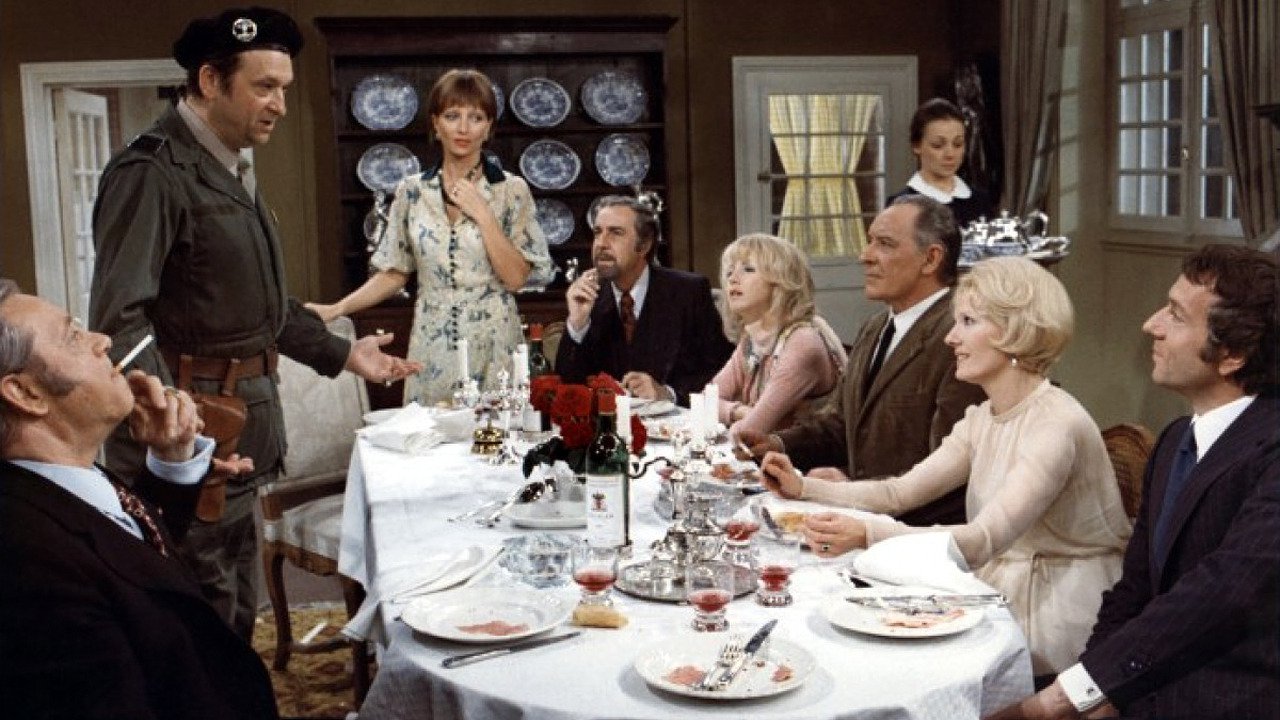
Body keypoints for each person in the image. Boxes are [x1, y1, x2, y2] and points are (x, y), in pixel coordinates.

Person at [88, 7, 420, 640]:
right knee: (201, 618)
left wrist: (345, 354)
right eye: (264, 87)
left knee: (235, 614)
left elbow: (261, 306)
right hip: (193, 444)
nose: (280, 106)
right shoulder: (152, 172)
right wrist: (177, 430)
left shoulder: (227, 168)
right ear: (210, 81)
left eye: (284, 89)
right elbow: (118, 320)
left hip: (237, 435)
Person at [762, 256, 1132, 676]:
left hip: (1059, 617)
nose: (951, 337)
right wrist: (803, 488)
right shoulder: (983, 416)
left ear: (1015, 331)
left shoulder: (1055, 425)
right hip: (995, 592)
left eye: (968, 322)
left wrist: (868, 534)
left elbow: (983, 539)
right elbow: (898, 492)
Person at [986, 245, 1280, 719]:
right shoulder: (1175, 439)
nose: (1150, 325)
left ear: (1233, 355)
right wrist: (1088, 690)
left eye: (1176, 316)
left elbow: (1223, 592)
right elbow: (1134, 588)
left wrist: (1064, 698)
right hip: (1148, 688)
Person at [0, 280, 278, 719]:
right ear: (25, 394)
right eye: (73, 336)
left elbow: (128, 559)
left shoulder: (60, 479)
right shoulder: (27, 567)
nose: (103, 340)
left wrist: (172, 459)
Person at [308, 68, 554, 405]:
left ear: (489, 128)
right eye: (452, 116)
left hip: (495, 342)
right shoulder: (411, 192)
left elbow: (515, 278)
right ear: (436, 124)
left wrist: (483, 213)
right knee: (427, 432)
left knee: (495, 433)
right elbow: (395, 273)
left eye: (476, 117)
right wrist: (337, 309)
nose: (463, 128)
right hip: (432, 343)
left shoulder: (511, 191)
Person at [739, 195, 986, 526]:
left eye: (884, 244)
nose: (865, 256)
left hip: (916, 533)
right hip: (859, 518)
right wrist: (777, 443)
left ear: (930, 259)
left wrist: (847, 488)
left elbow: (946, 467)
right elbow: (840, 425)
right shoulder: (875, 327)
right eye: (870, 241)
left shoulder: (959, 336)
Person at [555, 194, 733, 404]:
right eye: (597, 232)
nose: (601, 243)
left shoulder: (688, 292)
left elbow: (719, 371)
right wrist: (577, 324)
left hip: (675, 420)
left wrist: (668, 393)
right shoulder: (588, 297)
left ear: (644, 245)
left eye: (615, 233)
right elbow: (566, 388)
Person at [711, 233, 846, 438]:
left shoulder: (803, 342)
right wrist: (739, 411)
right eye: (729, 271)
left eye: (748, 269)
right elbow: (706, 402)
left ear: (781, 282)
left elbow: (750, 431)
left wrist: (737, 416)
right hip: (767, 453)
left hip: (804, 456)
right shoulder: (754, 338)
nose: (733, 278)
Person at [887, 97, 995, 229]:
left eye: (958, 144)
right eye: (937, 145)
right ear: (916, 145)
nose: (950, 154)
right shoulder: (901, 206)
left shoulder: (980, 201)